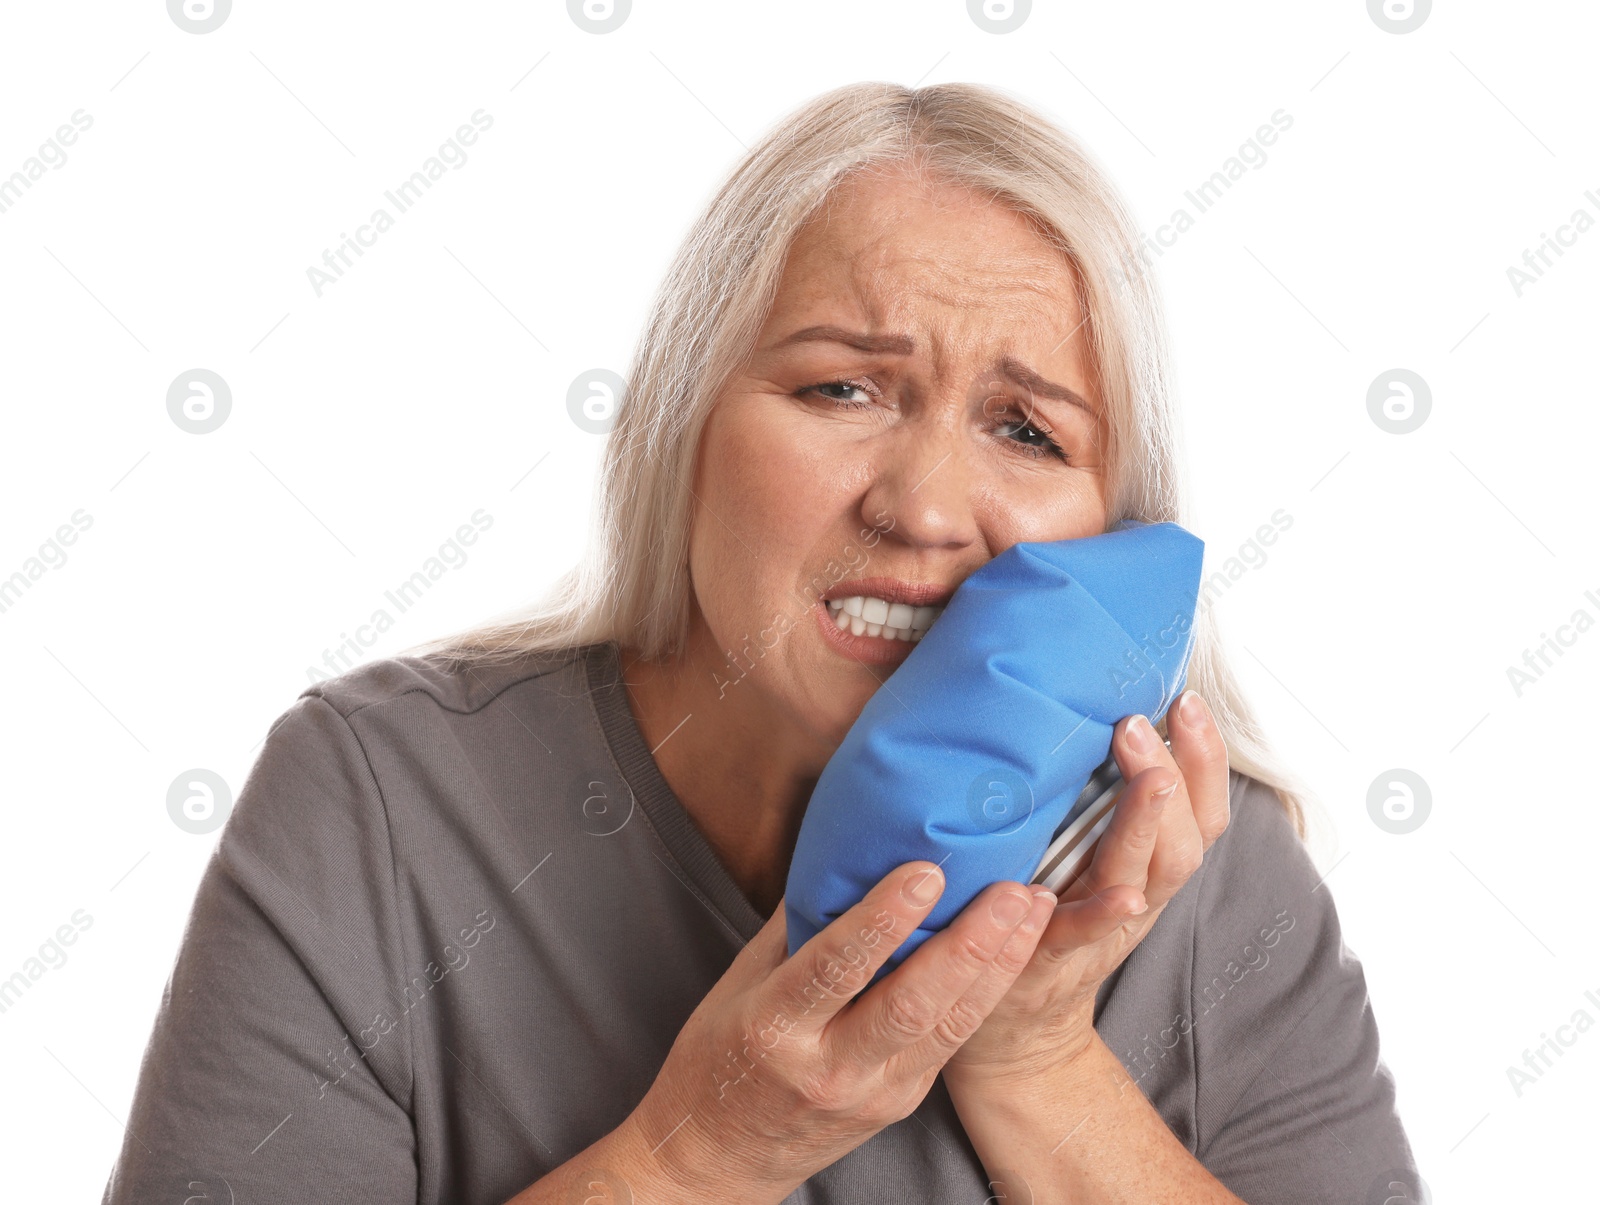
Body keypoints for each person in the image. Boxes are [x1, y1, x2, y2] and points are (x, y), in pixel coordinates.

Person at [101, 81, 1420, 1205]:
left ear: (1114, 525)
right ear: (687, 432)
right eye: (842, 386)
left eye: (1027, 429)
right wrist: (698, 1151)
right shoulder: (378, 809)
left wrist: (1034, 1056)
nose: (920, 504)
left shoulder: (1208, 881)